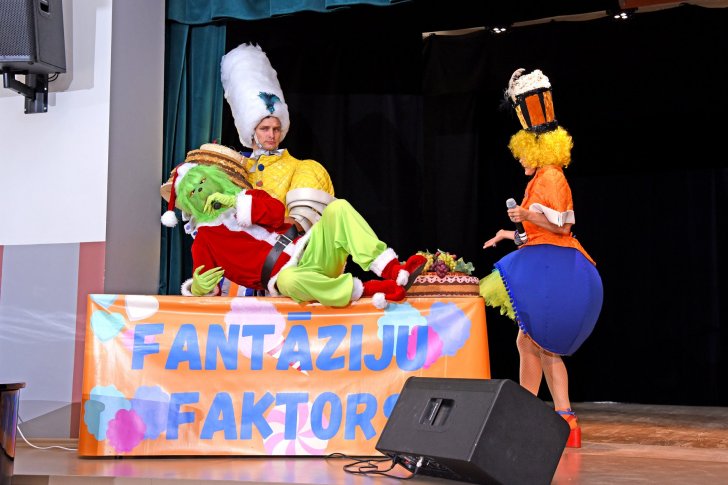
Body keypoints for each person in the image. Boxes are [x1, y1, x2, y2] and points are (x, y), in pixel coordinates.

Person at [479, 68, 603, 448]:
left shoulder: (551, 176)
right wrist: (511, 233)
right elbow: (539, 231)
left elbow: (563, 225)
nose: (520, 161)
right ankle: (558, 418)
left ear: (536, 150)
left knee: (540, 342)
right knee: (531, 341)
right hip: (545, 261)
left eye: (522, 154)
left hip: (556, 266)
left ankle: (534, 416)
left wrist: (525, 215)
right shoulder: (538, 179)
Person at [161, 156, 426, 309]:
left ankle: (393, 270)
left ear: (215, 179)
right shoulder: (204, 240)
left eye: (203, 182)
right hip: (288, 279)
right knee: (288, 280)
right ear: (189, 203)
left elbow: (277, 213)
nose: (201, 191)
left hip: (310, 250)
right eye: (193, 192)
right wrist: (198, 288)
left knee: (338, 208)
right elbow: (206, 291)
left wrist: (236, 201)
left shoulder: (247, 198)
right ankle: (370, 289)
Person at [221, 43, 334, 233]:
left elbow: (303, 224)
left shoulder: (303, 168)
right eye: (264, 129)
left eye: (276, 129)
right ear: (252, 131)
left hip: (285, 249)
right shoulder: (235, 170)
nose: (271, 135)